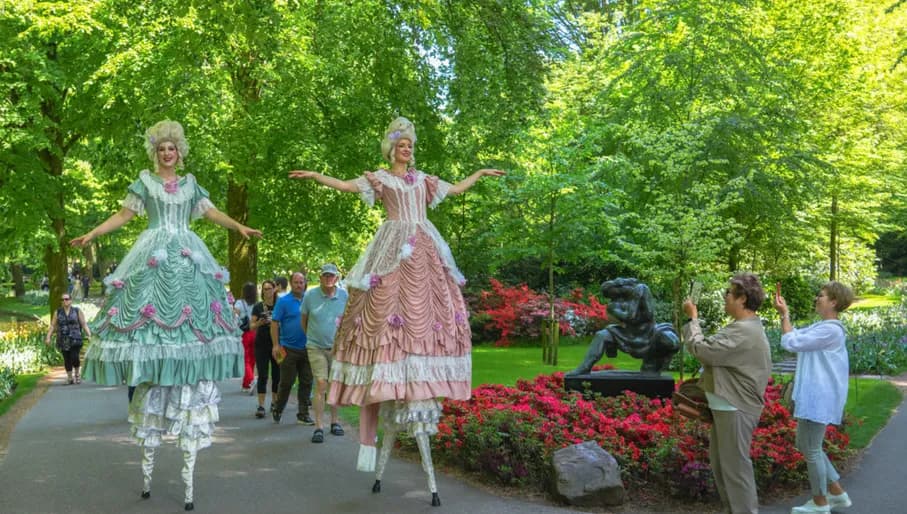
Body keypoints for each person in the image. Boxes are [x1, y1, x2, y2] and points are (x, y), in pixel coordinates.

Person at [288, 116, 504, 505]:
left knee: (433, 306)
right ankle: (388, 384)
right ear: (391, 149)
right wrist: (318, 176)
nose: (408, 148)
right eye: (401, 144)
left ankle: (418, 380)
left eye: (410, 144)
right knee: (382, 308)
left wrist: (479, 173)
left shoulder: (423, 180)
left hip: (423, 245)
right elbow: (345, 185)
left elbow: (454, 190)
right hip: (391, 247)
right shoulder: (380, 179)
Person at [70, 120, 261, 511]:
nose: (167, 153)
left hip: (187, 255)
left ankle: (184, 412)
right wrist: (92, 234)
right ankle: (153, 414)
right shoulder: (145, 183)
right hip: (153, 251)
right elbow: (123, 215)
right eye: (161, 149)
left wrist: (238, 225)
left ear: (180, 151)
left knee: (194, 323)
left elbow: (212, 214)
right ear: (155, 153)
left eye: (172, 148)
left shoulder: (191, 185)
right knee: (147, 321)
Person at [682, 273, 772, 514]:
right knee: (723, 467)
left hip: (736, 408)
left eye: (728, 293)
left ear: (742, 299)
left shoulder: (744, 331)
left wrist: (693, 318)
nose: (725, 297)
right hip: (727, 406)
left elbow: (703, 350)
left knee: (735, 470)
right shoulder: (742, 328)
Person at [774, 282, 854, 514]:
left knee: (811, 449)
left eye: (821, 295)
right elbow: (796, 336)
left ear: (834, 302)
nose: (817, 298)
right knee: (806, 445)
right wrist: (785, 316)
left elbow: (791, 342)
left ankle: (820, 503)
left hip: (819, 396)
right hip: (816, 395)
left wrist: (784, 315)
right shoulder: (822, 327)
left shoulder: (830, 330)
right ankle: (837, 493)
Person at [301, 263, 348, 443]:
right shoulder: (310, 296)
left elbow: (348, 321)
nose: (329, 279)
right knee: (321, 383)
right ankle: (319, 426)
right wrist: (311, 339)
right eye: (325, 275)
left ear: (336, 278)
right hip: (315, 347)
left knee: (334, 384)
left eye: (332, 276)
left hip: (337, 348)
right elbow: (304, 320)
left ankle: (335, 422)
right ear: (320, 277)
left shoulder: (344, 295)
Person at [270, 271, 314, 425]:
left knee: (307, 381)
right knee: (287, 382)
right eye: (296, 282)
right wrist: (275, 345)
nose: (299, 284)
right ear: (291, 283)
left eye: (301, 282)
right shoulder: (283, 301)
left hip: (308, 348)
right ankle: (278, 408)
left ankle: (303, 413)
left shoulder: (310, 299)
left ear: (305, 283)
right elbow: (275, 323)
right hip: (288, 349)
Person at [44, 294, 91, 384]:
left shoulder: (77, 311)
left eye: (66, 299)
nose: (64, 301)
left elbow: (84, 324)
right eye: (62, 299)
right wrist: (48, 337)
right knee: (67, 358)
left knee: (75, 357)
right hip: (63, 338)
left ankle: (77, 374)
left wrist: (89, 335)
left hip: (75, 338)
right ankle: (69, 378)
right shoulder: (57, 312)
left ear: (71, 300)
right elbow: (53, 325)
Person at [251, 280, 280, 418]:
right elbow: (251, 326)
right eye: (264, 289)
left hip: (278, 344)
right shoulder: (258, 307)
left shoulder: (280, 304)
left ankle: (274, 402)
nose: (267, 291)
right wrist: (260, 322)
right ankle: (261, 405)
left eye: (269, 288)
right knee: (262, 375)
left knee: (277, 375)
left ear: (274, 289)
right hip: (261, 344)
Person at [234, 282, 258, 393]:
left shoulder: (239, 303)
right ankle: (246, 384)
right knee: (252, 359)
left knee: (245, 359)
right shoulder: (257, 304)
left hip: (245, 333)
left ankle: (251, 380)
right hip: (256, 332)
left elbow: (235, 316)